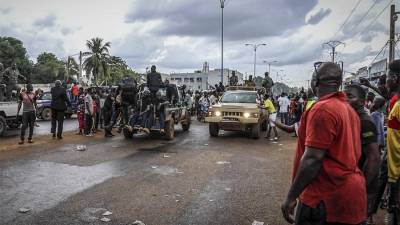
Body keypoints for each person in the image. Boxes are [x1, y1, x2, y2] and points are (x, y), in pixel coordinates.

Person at [281, 62, 367, 225]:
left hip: (325, 196)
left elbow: (313, 159)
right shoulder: (348, 109)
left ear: (316, 81)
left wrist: (291, 197)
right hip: (349, 194)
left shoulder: (322, 109)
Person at [345, 84, 380, 222]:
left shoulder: (364, 121)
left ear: (361, 102)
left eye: (350, 97)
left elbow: (374, 158)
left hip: (363, 185)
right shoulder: (353, 116)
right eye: (344, 96)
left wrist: (361, 187)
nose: (345, 99)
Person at [385, 60, 400, 212]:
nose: (386, 79)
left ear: (395, 78)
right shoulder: (396, 103)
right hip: (394, 170)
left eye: (388, 76)